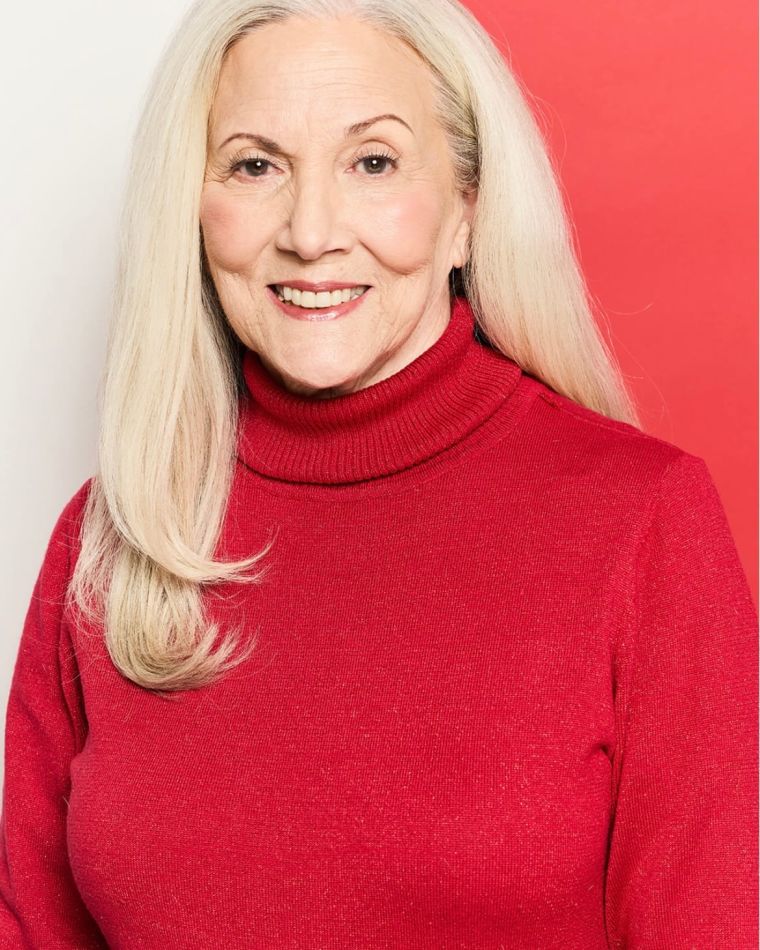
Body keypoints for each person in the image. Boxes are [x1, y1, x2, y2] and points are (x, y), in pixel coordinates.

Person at [1, 0, 757, 945]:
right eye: (255, 165)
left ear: (466, 211)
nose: (311, 232)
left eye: (373, 162)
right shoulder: (115, 535)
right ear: (190, 209)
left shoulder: (640, 521)